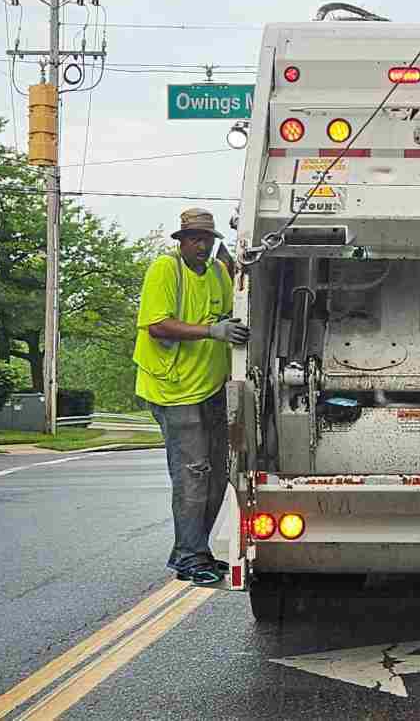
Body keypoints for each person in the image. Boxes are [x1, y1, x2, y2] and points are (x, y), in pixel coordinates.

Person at [134, 208, 249, 586]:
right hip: (173, 389)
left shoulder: (217, 272)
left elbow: (234, 307)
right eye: (195, 238)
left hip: (210, 388)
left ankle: (195, 550)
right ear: (181, 241)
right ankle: (189, 556)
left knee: (218, 473)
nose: (202, 245)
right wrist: (212, 332)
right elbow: (157, 325)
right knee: (193, 473)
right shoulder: (165, 270)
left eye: (207, 239)